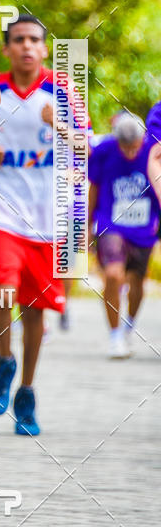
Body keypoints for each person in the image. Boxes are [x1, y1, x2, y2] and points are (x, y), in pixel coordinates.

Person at [0, 14, 88, 436]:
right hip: (0, 207)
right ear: (6, 49)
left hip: (46, 214)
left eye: (34, 40)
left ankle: (27, 392)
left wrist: (58, 125)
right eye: (18, 39)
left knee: (35, 310)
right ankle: (5, 359)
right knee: (1, 288)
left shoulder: (64, 89)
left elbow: (86, 144)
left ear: (44, 48)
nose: (26, 46)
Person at [88, 112, 160, 358]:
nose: (130, 152)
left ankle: (129, 324)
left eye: (134, 147)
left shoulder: (153, 150)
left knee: (137, 282)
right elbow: (94, 188)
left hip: (144, 228)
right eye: (125, 147)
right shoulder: (104, 151)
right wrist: (87, 226)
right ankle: (115, 335)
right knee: (113, 274)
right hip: (111, 224)